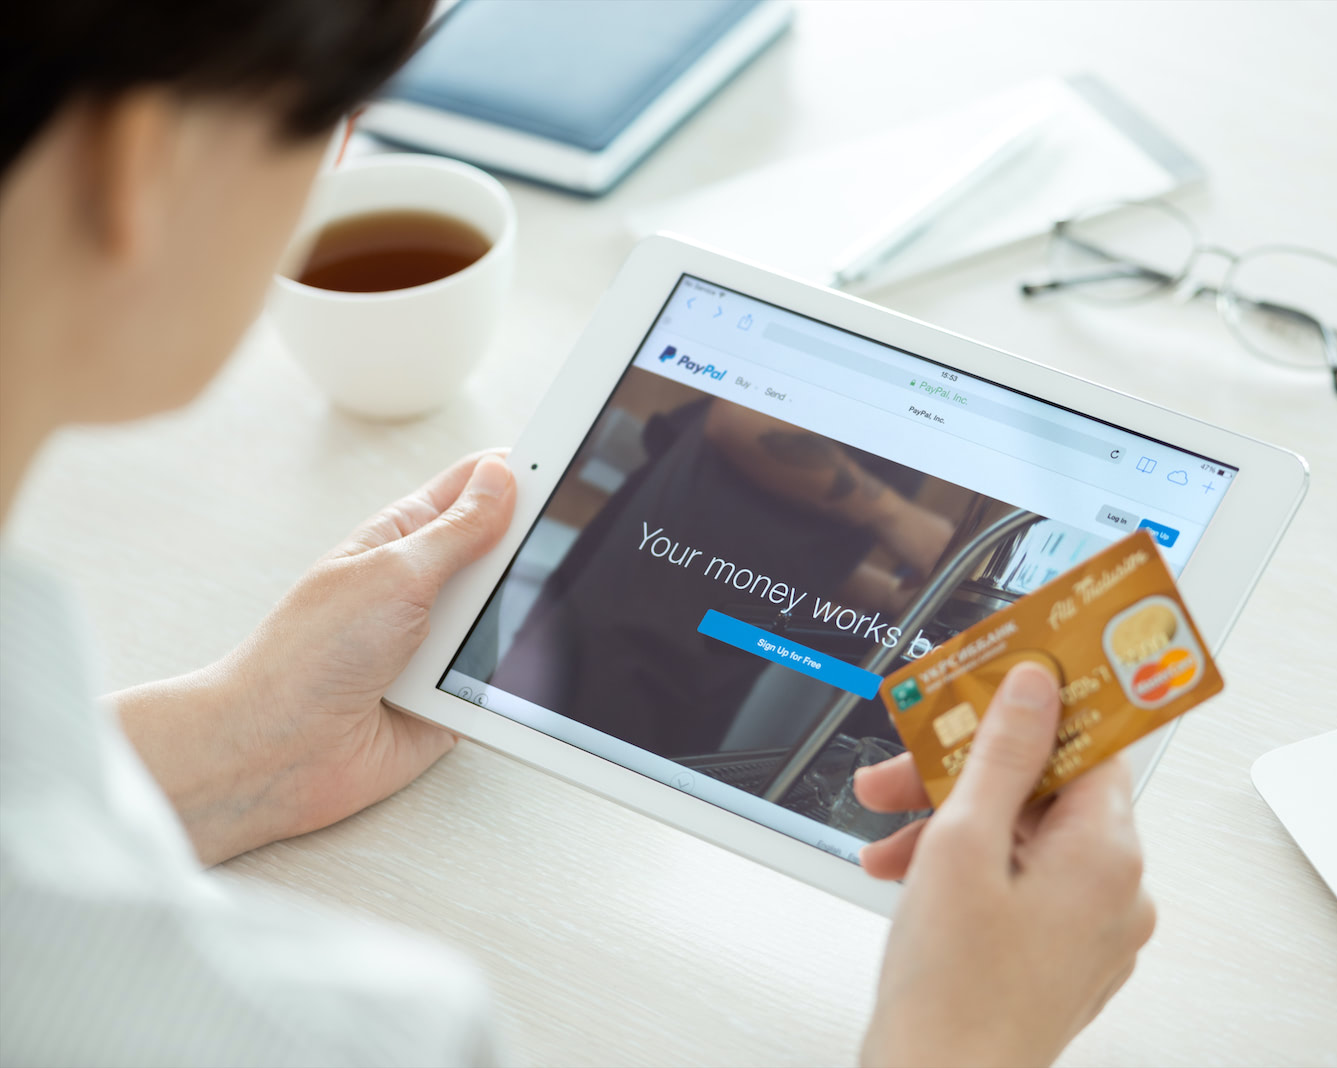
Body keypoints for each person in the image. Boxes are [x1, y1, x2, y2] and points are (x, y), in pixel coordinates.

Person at [0, 3, 1157, 1065]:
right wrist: (964, 1038)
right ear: (136, 162)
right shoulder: (318, 1033)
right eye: (336, 115)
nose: (337, 166)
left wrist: (238, 748)